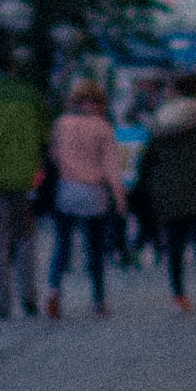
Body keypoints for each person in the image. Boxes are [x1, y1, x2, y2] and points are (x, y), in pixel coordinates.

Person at [0, 46, 50, 320]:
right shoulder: (31, 95)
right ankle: (29, 296)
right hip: (26, 179)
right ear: (14, 67)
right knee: (26, 239)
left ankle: (2, 302)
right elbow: (45, 136)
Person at [140, 72, 196, 312]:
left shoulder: (159, 119)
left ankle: (179, 295)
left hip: (170, 188)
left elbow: (148, 159)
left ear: (173, 90)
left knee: (175, 244)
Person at [44, 78, 123, 319]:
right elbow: (110, 165)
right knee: (95, 250)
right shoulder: (102, 127)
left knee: (62, 245)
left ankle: (53, 291)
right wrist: (119, 196)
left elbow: (54, 156)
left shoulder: (62, 123)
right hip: (94, 193)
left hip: (67, 191)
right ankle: (98, 302)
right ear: (98, 103)